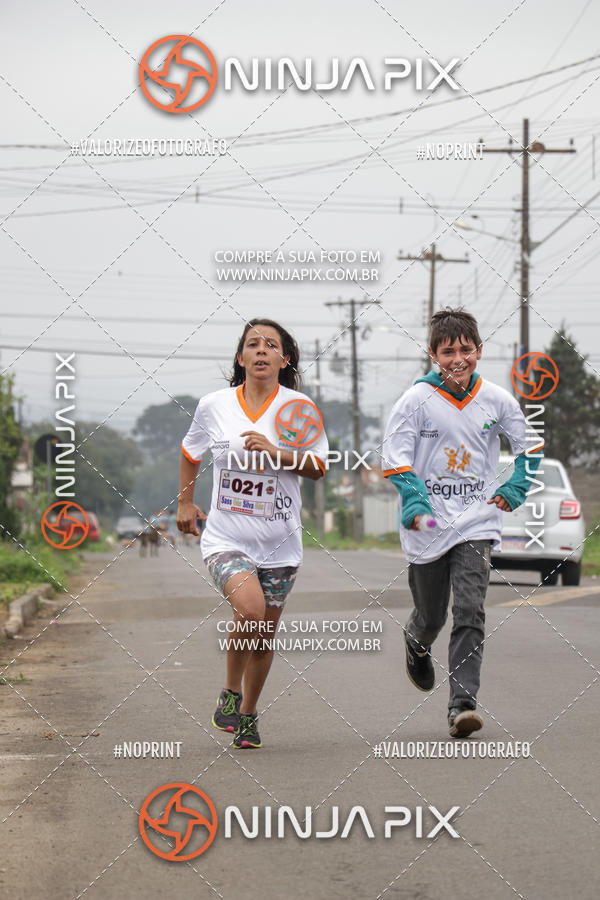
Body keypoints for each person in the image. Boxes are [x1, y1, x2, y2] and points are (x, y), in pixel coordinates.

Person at [382, 308, 543, 738]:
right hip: (427, 527)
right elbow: (393, 457)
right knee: (432, 616)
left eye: (466, 350)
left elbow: (530, 445)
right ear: (434, 354)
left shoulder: (497, 399)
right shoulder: (415, 400)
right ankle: (416, 642)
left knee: (470, 609)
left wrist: (515, 487)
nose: (458, 359)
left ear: (479, 351)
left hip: (477, 520)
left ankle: (462, 706)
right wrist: (415, 501)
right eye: (448, 351)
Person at [177, 318, 328, 749]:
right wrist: (186, 503)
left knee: (263, 635)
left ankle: (247, 715)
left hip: (280, 544)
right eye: (252, 344)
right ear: (241, 358)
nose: (261, 350)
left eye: (271, 345)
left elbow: (318, 467)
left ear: (284, 359)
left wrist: (279, 452)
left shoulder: (299, 409)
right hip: (226, 537)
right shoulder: (214, 406)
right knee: (250, 608)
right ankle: (229, 692)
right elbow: (190, 452)